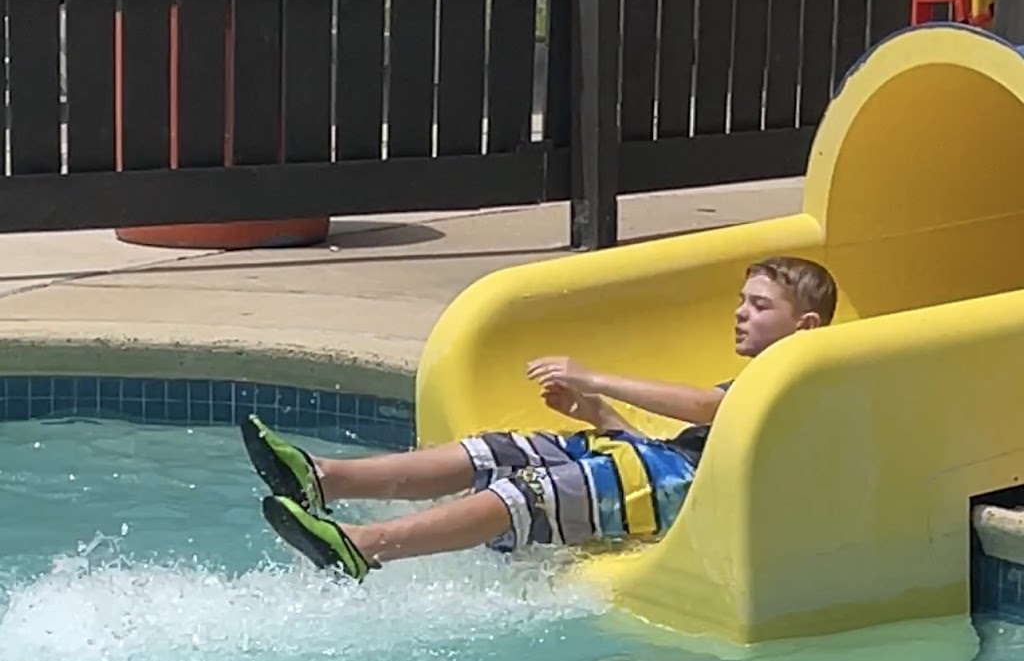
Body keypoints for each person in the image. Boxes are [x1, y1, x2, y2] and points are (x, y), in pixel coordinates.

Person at [242, 255, 838, 582]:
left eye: (760, 306)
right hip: (660, 472)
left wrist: (594, 378)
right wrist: (600, 415)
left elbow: (710, 414)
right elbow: (687, 448)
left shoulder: (802, 380)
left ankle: (365, 546)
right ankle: (324, 478)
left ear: (804, 326)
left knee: (528, 490)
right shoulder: (764, 375)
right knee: (500, 450)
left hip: (682, 492)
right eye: (741, 301)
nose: (740, 314)